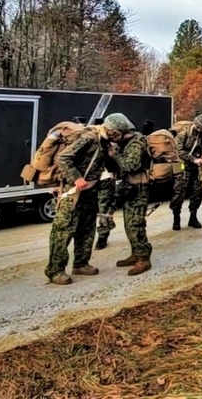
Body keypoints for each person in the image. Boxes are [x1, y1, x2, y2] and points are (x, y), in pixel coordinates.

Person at [45, 113, 130, 285]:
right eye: (120, 133)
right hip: (73, 191)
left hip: (90, 191)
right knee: (64, 230)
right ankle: (55, 270)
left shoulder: (104, 141)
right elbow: (64, 158)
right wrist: (76, 178)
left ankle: (81, 263)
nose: (120, 136)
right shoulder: (90, 137)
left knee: (86, 228)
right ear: (112, 130)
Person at [110, 124, 153, 276]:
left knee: (136, 224)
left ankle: (143, 258)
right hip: (130, 188)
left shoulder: (137, 143)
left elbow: (130, 165)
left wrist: (114, 155)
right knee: (129, 224)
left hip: (139, 188)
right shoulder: (128, 143)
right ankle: (136, 253)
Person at [170, 114, 202, 230]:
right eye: (199, 128)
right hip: (181, 165)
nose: (200, 130)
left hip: (196, 167)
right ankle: (176, 218)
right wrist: (194, 159)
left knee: (197, 192)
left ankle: (193, 217)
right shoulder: (183, 134)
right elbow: (178, 151)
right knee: (179, 192)